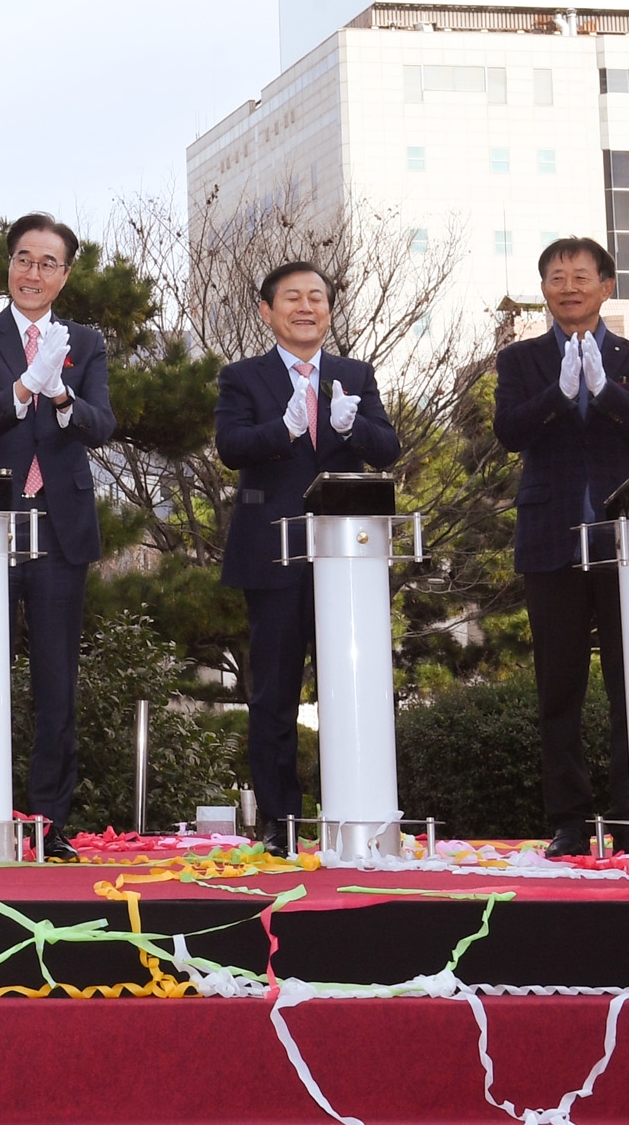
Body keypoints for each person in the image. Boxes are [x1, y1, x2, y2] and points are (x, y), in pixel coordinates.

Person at [492, 236, 629, 859]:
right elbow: (509, 432)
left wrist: (607, 389)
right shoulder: (521, 360)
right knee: (559, 688)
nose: (568, 286)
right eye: (555, 276)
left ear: (607, 286)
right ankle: (569, 820)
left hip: (628, 544)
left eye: (581, 275)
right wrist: (560, 392)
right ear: (543, 288)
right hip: (552, 537)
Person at [215, 259, 401, 853]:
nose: (306, 306)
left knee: (354, 684)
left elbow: (387, 446)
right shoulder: (242, 377)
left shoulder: (355, 372)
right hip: (273, 555)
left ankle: (361, 808)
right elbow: (230, 447)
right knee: (274, 692)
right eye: (291, 297)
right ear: (267, 311)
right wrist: (286, 428)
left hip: (348, 562)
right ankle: (280, 820)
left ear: (328, 309)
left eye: (316, 297)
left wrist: (354, 427)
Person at [0, 211, 114, 861]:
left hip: (59, 525)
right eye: (24, 258)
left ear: (65, 274)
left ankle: (49, 826)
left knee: (56, 683)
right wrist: (25, 386)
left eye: (49, 263)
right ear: (8, 265)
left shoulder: (87, 341)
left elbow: (100, 424)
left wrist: (64, 397)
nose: (34, 273)